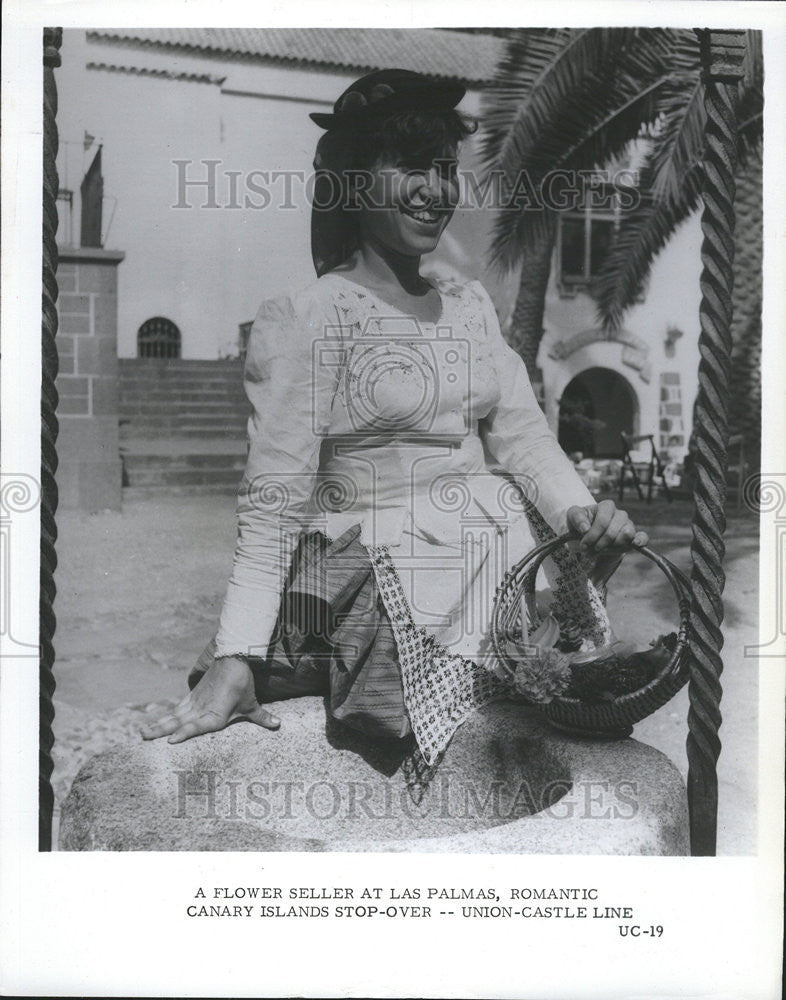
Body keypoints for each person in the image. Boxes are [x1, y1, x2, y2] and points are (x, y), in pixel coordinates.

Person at [141, 69, 648, 765]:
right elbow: (274, 497)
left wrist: (579, 515)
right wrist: (236, 651)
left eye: (445, 170)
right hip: (371, 577)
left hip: (481, 561)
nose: (436, 190)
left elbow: (524, 436)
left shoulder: (469, 306)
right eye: (411, 167)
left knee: (512, 511)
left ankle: (508, 667)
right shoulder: (311, 314)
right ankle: (326, 662)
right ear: (352, 181)